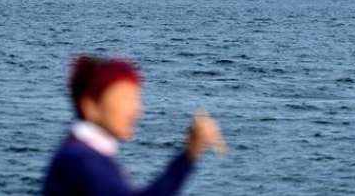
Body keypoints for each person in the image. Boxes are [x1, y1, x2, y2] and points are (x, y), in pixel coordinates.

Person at [43, 55, 224, 195]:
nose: (136, 111)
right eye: (124, 99)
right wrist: (189, 155)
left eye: (136, 100)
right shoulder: (81, 160)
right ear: (90, 106)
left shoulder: (79, 152)